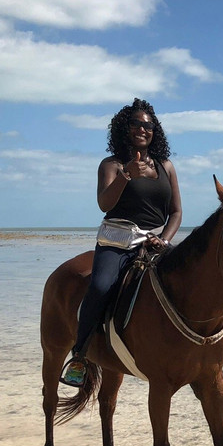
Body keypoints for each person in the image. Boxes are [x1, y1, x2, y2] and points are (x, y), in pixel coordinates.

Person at [60, 98, 182, 387]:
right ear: (124, 128)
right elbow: (104, 204)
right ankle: (80, 356)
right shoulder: (112, 165)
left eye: (148, 125)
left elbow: (176, 212)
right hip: (117, 242)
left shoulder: (166, 166)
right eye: (136, 123)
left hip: (155, 242)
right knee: (101, 286)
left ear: (155, 131)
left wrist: (164, 239)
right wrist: (127, 174)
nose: (142, 129)